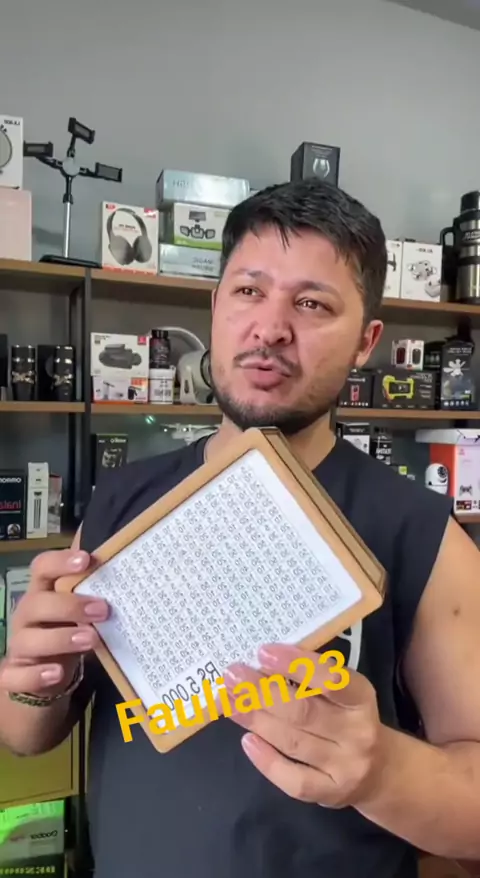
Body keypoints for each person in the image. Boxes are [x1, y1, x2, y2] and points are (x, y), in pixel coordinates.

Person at [1, 178, 480, 878]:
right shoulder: (119, 503)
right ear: (217, 305)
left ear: (366, 342)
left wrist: (382, 771)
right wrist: (36, 679)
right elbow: (25, 735)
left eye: (312, 304)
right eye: (249, 291)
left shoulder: (423, 534)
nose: (270, 328)